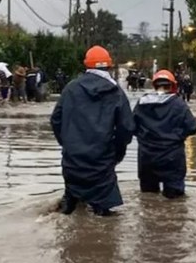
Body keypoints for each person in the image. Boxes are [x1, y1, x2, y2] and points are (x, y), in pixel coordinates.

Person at [51, 46, 134, 216]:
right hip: (101, 165)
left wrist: (68, 144)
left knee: (70, 211)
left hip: (72, 163)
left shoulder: (70, 89)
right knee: (104, 218)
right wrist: (116, 154)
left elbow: (55, 120)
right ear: (109, 66)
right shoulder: (116, 93)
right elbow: (126, 129)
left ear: (86, 65)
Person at [133, 70, 196, 199]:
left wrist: (144, 138)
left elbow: (131, 126)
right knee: (175, 200)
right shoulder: (178, 104)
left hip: (147, 157)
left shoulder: (141, 103)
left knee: (148, 198)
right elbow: (192, 127)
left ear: (154, 85)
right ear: (172, 85)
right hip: (172, 158)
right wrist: (178, 137)